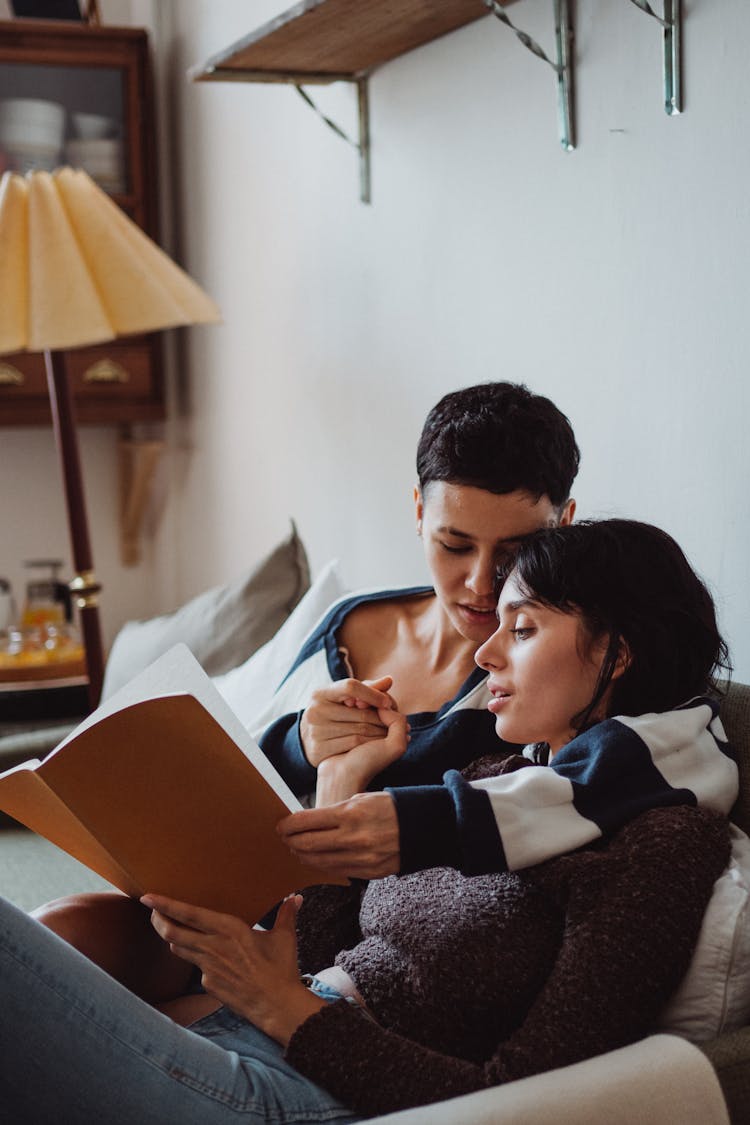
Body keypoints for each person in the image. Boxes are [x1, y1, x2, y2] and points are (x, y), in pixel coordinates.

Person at [0, 519, 734, 1121]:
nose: (485, 652)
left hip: (300, 1094)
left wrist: (287, 1009)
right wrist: (343, 777)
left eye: (523, 628)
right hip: (260, 1034)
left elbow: (520, 1093)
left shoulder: (658, 843)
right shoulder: (495, 780)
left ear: (618, 652)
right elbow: (328, 941)